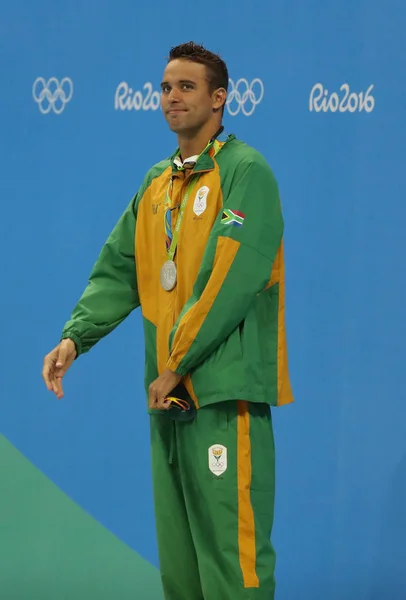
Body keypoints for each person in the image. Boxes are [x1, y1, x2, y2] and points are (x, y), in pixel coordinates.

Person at [42, 41, 294, 600]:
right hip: (169, 397)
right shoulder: (157, 184)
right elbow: (119, 270)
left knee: (233, 561)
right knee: (181, 567)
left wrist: (177, 363)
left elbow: (231, 277)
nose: (171, 97)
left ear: (220, 98)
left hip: (223, 397)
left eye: (186, 87)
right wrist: (74, 338)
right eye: (164, 87)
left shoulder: (246, 173)